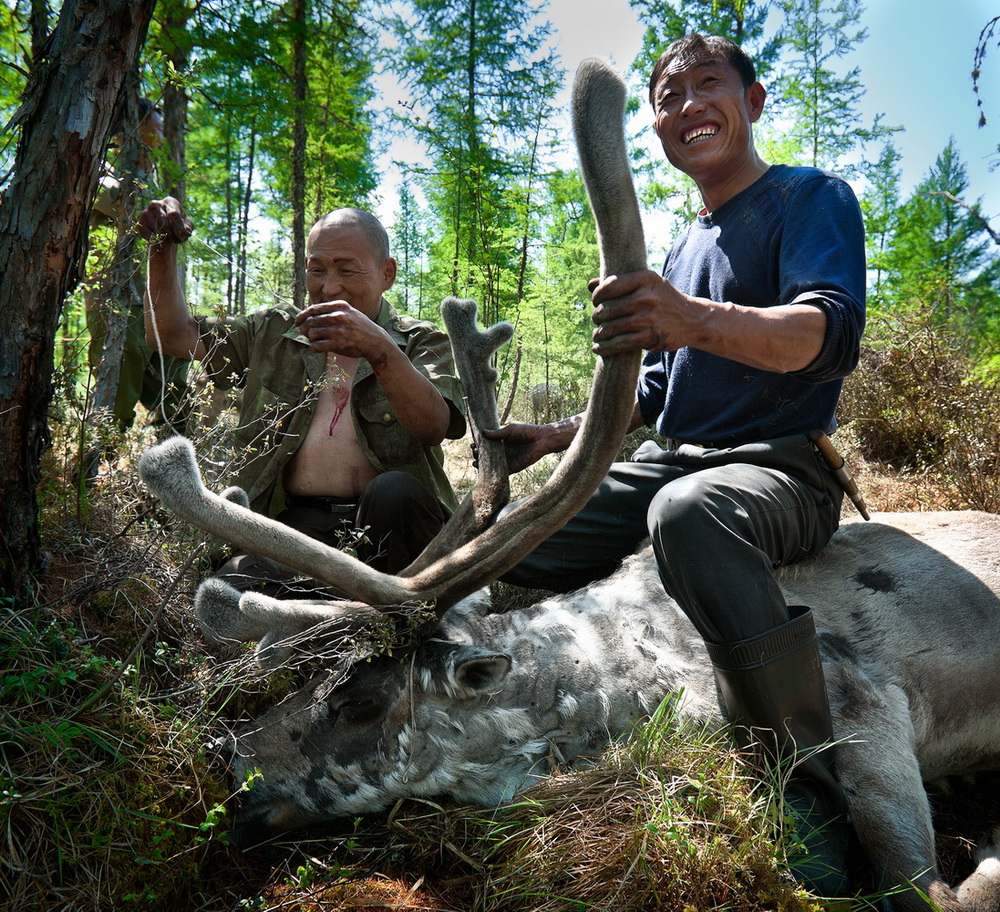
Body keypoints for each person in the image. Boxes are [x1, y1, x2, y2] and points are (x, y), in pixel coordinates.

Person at [488, 34, 866, 896]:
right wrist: (554, 440)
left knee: (689, 513)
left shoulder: (809, 198)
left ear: (755, 101)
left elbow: (827, 336)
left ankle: (805, 795)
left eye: (710, 84)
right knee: (515, 531)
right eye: (668, 94)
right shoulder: (683, 248)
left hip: (781, 471)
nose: (689, 103)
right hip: (673, 463)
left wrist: (691, 317)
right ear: (655, 125)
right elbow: (653, 400)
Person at [137, 199, 466, 586]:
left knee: (393, 491)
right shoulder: (272, 334)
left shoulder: (420, 341)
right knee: (228, 595)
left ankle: (401, 619)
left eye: (347, 270)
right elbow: (172, 335)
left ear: (387, 273)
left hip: (399, 527)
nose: (329, 287)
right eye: (316, 271)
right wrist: (161, 248)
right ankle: (333, 611)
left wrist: (378, 348)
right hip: (298, 527)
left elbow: (433, 426)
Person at [87, 99, 191, 438]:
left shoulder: (153, 180)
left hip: (152, 299)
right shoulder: (101, 168)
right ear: (131, 131)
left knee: (174, 366)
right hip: (115, 299)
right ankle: (95, 464)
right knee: (122, 371)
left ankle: (176, 455)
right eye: (154, 130)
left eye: (161, 132)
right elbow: (116, 201)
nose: (159, 138)